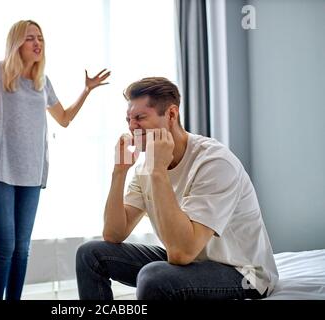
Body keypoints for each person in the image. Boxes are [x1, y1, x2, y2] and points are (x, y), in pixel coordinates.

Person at [76, 77, 278, 300]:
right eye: (129, 119)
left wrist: (158, 171)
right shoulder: (146, 166)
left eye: (140, 118)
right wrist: (120, 171)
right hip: (192, 261)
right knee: (90, 254)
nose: (132, 127)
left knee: (155, 277)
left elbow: (181, 253)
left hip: (244, 273)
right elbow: (113, 234)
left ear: (171, 115)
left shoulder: (214, 163)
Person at [0, 20, 110, 300]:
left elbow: (63, 119)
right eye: (30, 38)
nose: (37, 43)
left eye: (40, 38)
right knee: (4, 248)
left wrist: (86, 91)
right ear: (16, 44)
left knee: (22, 250)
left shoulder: (42, 82)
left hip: (32, 175)